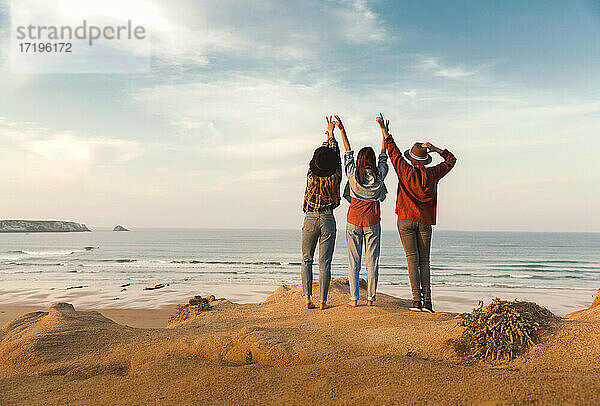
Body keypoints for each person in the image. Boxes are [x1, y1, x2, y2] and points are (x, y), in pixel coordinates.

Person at [377, 113, 456, 313]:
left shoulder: (405, 170)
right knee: (424, 260)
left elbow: (393, 152)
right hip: (425, 221)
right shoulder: (433, 173)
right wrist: (436, 148)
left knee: (411, 259)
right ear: (426, 160)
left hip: (405, 218)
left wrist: (385, 132)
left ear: (411, 159)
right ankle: (427, 302)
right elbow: (451, 160)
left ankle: (416, 301)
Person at [335, 115, 388, 307]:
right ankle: (371, 299)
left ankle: (353, 298)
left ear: (359, 160)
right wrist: (384, 131)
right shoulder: (380, 175)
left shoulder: (352, 174)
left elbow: (347, 151)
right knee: (371, 262)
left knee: (353, 262)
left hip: (353, 221)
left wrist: (341, 130)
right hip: (373, 221)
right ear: (372, 161)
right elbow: (384, 154)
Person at [301, 116, 342, 310]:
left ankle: (308, 298)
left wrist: (327, 135)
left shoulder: (311, 175)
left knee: (306, 259)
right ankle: (323, 301)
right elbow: (332, 157)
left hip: (310, 217)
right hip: (328, 218)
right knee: (325, 262)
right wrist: (332, 134)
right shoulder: (336, 176)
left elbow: (321, 158)